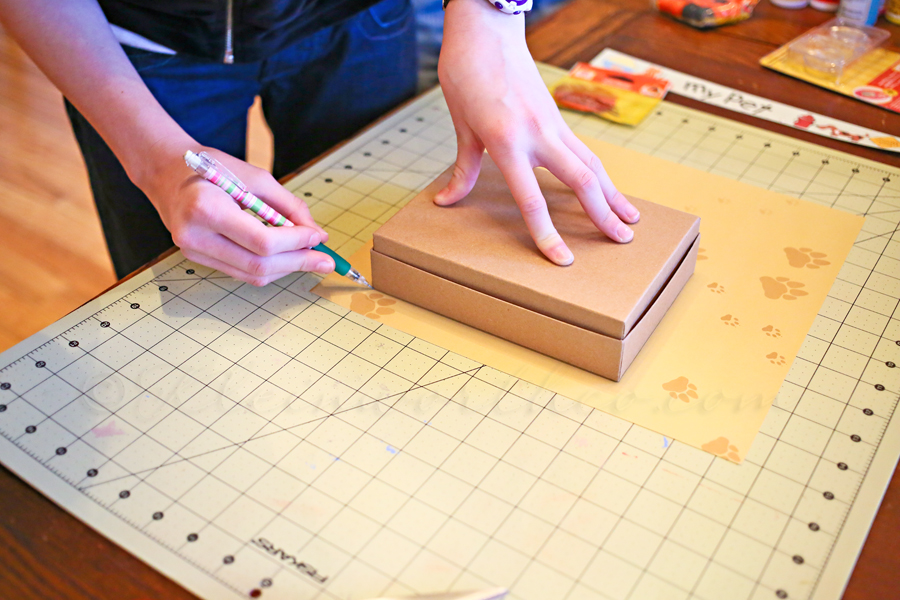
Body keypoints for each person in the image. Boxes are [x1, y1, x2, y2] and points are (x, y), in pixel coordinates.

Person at [0, 0, 640, 286]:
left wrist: (491, 12)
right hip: (134, 51)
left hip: (359, 19)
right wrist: (154, 158)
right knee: (184, 283)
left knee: (379, 223)